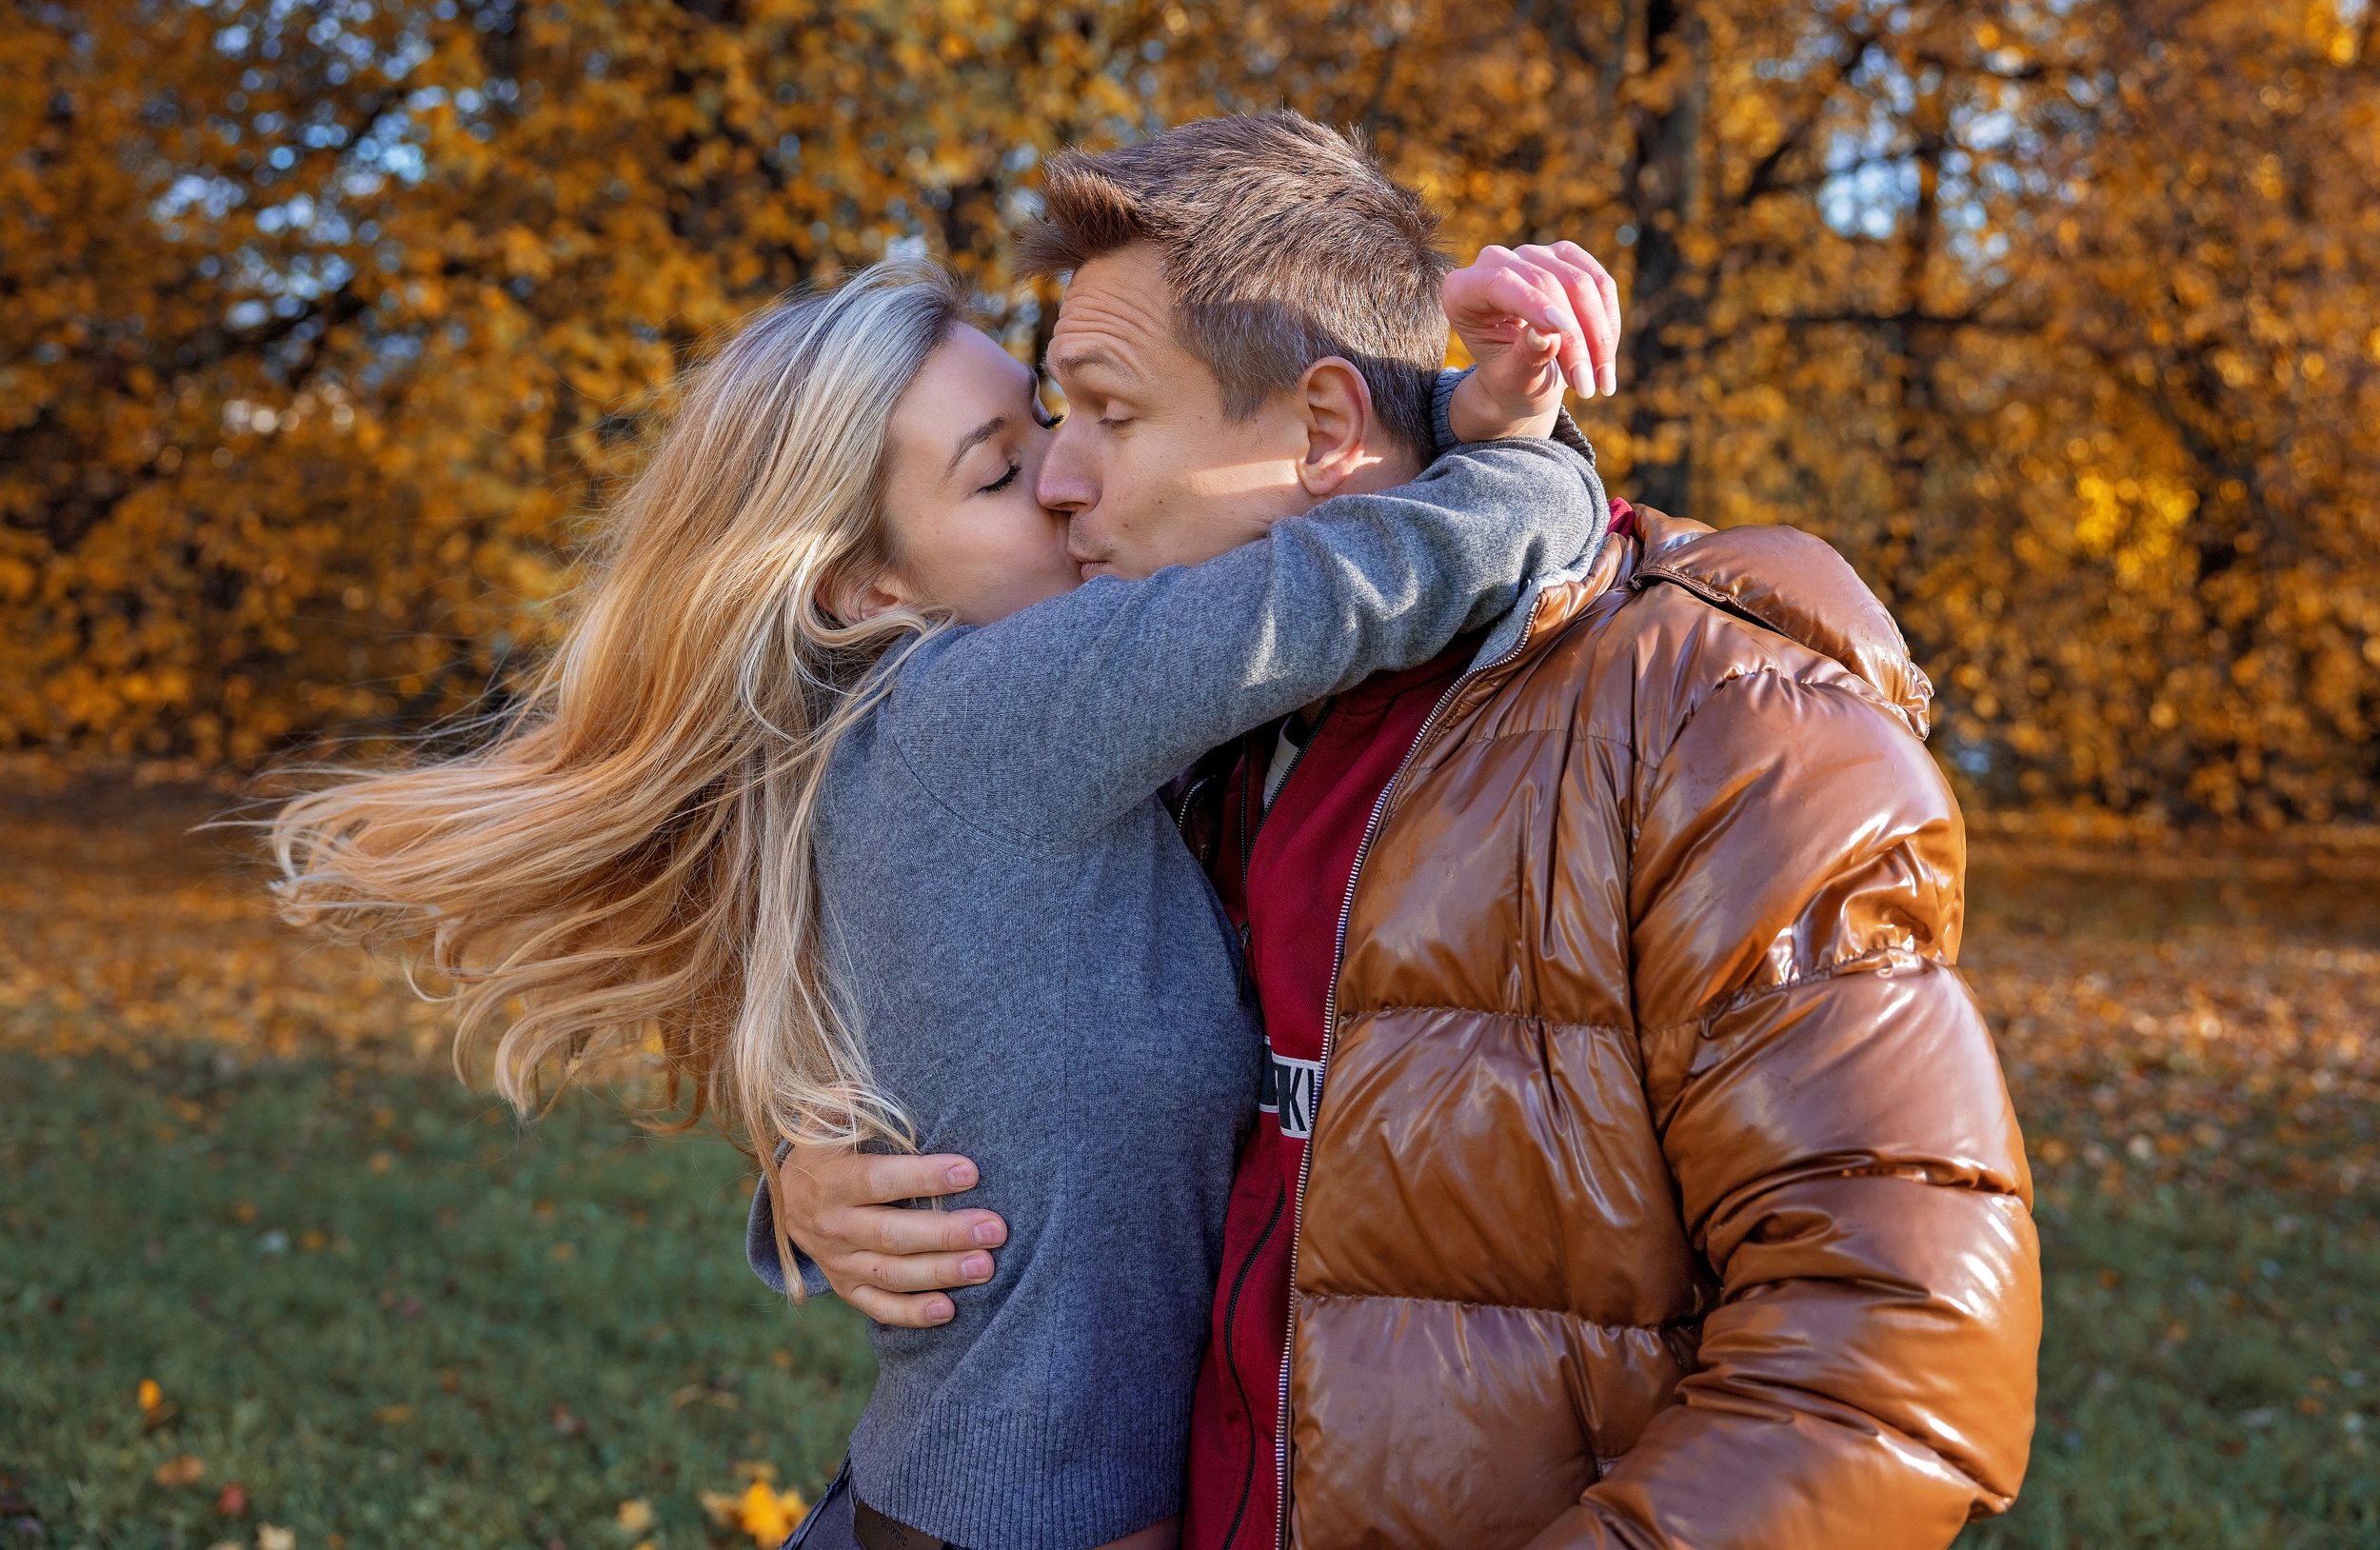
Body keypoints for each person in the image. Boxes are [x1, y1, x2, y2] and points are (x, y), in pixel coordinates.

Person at [272, 140, 1621, 1549]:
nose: (1062, 484)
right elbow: (1366, 578)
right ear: (863, 582)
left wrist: (798, 1179)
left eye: (1061, 428)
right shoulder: (990, 716)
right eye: (1001, 475)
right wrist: (1498, 438)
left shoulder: (904, 741)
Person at [771, 110, 2043, 1550]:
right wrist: (816, 1172)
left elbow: (1896, 1347)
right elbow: (1004, 1026)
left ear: (1322, 427)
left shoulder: (1712, 726)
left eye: (1107, 414)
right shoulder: (1189, 745)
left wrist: (1463, 422)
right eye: (1042, 431)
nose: (1062, 477)